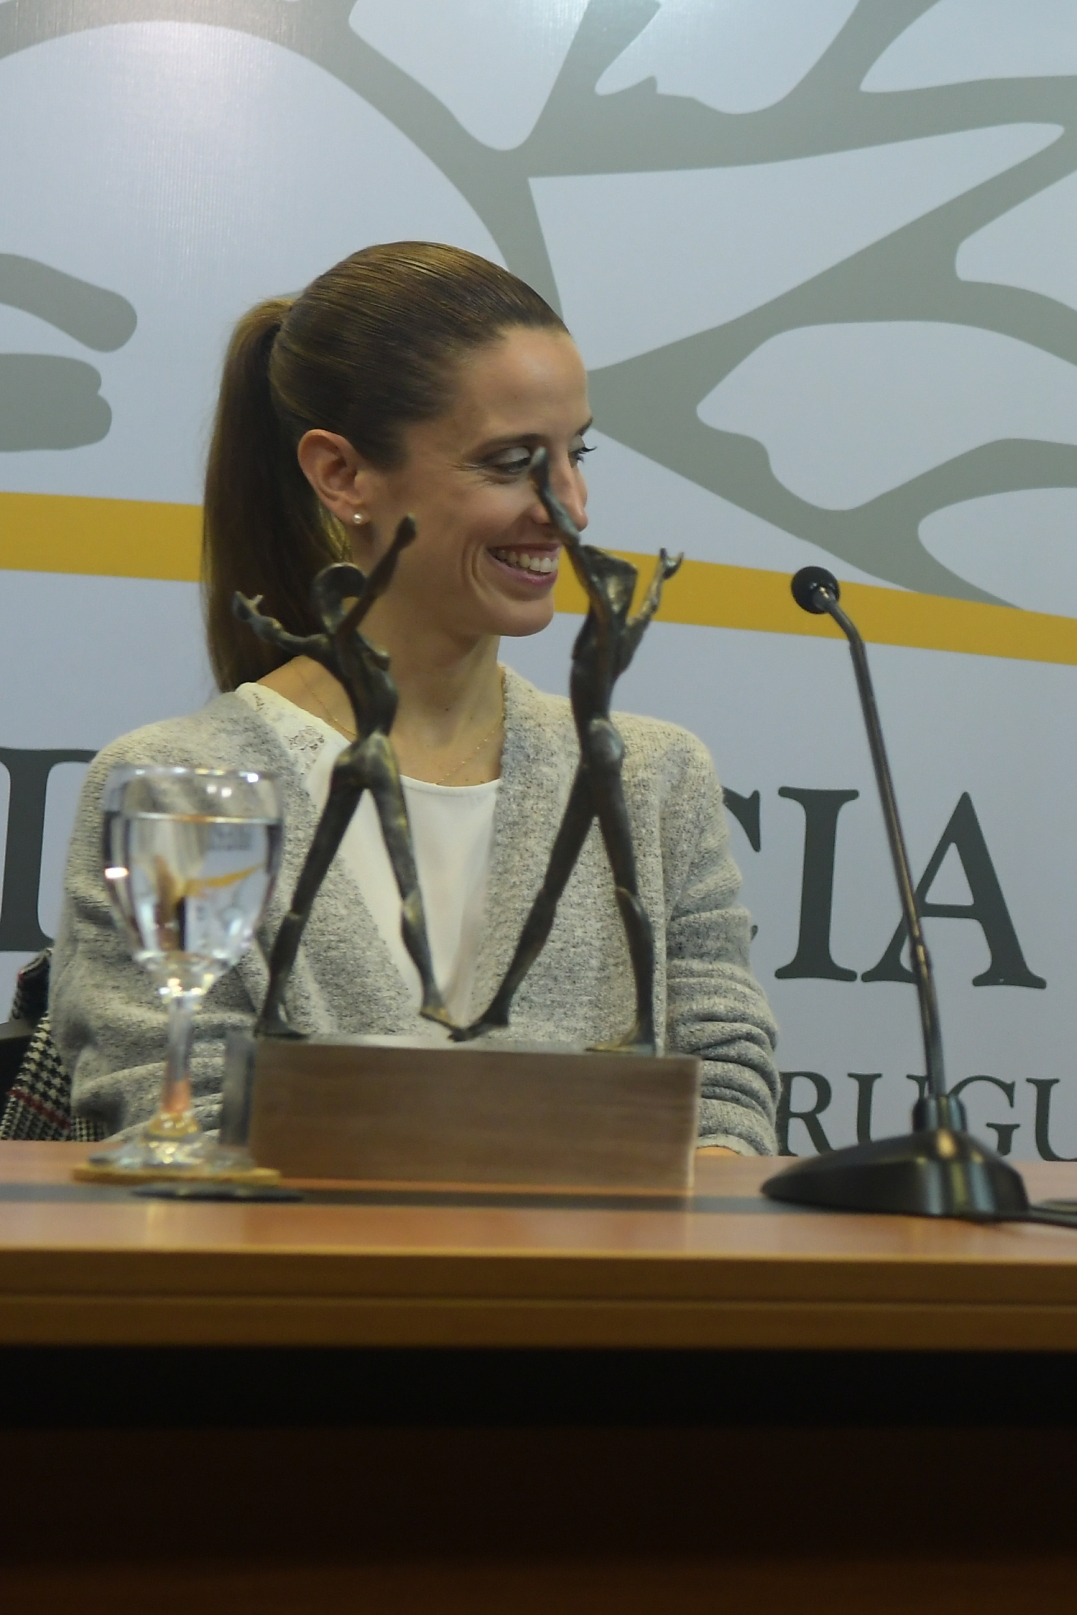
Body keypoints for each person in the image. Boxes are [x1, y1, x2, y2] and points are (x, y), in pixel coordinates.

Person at [51, 242, 781, 1153]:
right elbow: (178, 1125)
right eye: (514, 461)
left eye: (576, 453)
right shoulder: (177, 784)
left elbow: (724, 1099)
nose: (571, 508)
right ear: (343, 475)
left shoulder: (652, 777)